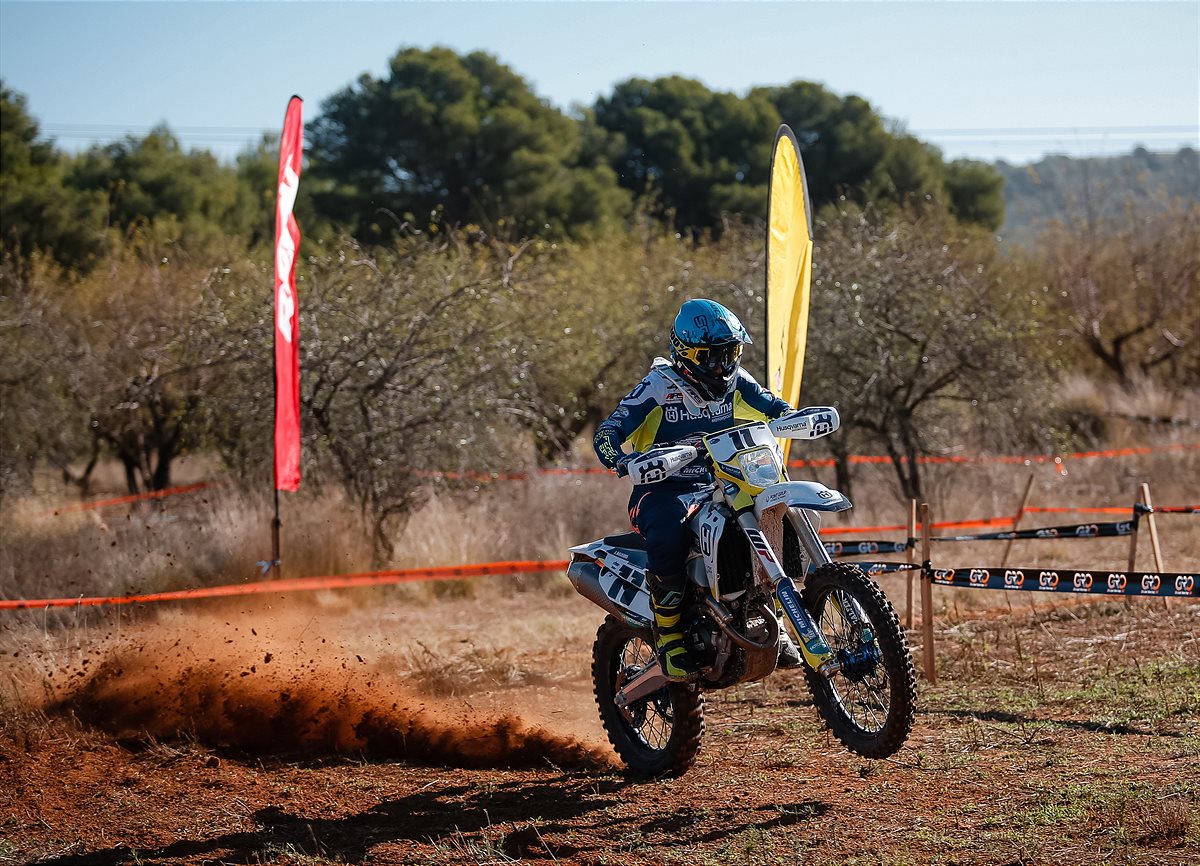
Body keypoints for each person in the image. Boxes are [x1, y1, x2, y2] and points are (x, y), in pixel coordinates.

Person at [594, 298, 801, 681]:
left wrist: (795, 419)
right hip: (663, 489)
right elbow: (609, 431)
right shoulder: (657, 386)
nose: (723, 366)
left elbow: (774, 407)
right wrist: (619, 460)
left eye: (731, 354)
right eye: (712, 357)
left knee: (774, 516)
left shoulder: (737, 381)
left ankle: (779, 622)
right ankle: (670, 637)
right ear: (686, 353)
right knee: (669, 533)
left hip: (723, 483)